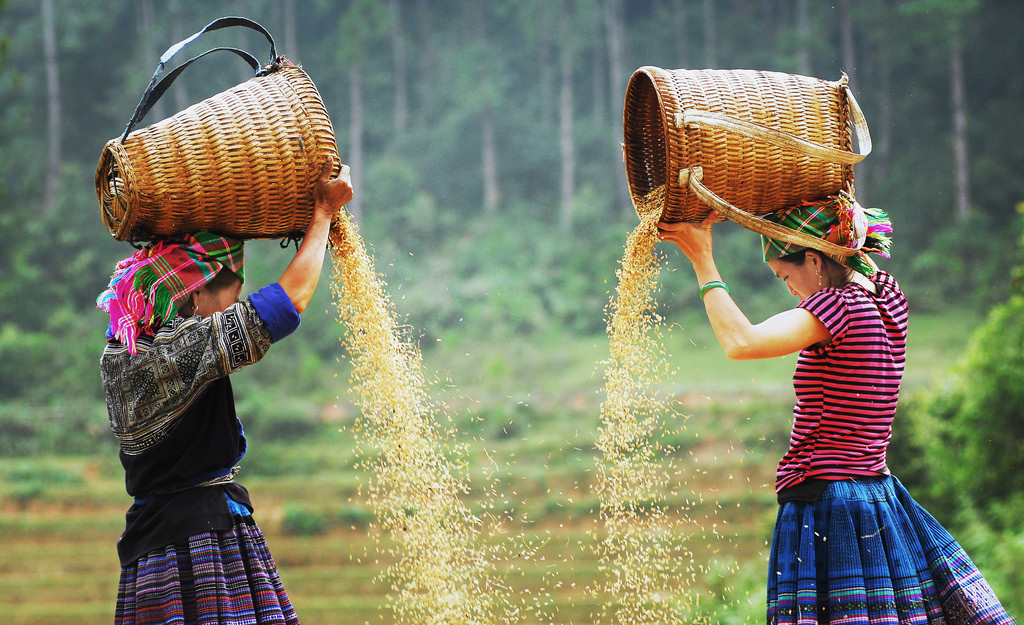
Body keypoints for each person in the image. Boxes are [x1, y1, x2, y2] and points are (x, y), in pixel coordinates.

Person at [657, 192, 1017, 624]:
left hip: (826, 501)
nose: (788, 289)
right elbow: (856, 258)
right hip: (878, 497)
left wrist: (702, 259)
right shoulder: (888, 301)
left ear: (814, 260)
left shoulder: (838, 307)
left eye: (783, 275)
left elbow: (741, 342)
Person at [96, 156, 353, 625]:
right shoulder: (181, 349)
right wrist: (322, 216)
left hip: (150, 550)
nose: (235, 303)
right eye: (232, 291)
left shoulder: (119, 353)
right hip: (197, 544)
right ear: (196, 294)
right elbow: (285, 305)